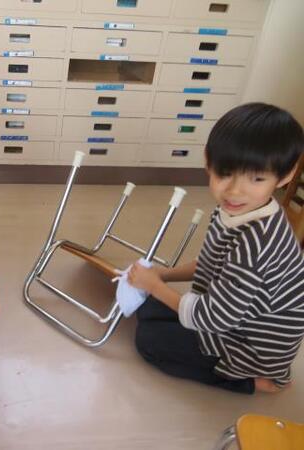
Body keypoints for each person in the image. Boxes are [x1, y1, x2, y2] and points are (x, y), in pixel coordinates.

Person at [128, 103, 304, 394]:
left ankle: (251, 381)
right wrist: (162, 275)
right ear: (208, 161)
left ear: (285, 176)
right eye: (225, 173)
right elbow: (210, 262)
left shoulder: (256, 243)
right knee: (147, 307)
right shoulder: (239, 211)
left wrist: (156, 286)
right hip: (231, 316)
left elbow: (215, 317)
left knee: (149, 341)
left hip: (249, 345)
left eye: (257, 179)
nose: (234, 191)